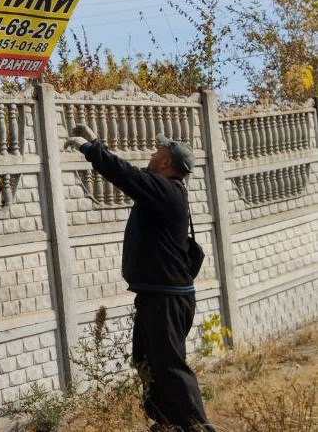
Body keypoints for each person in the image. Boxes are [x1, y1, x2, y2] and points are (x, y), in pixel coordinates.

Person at [66, 125, 215, 432]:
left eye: (159, 149)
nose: (152, 151)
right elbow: (131, 177)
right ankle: (164, 424)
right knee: (147, 363)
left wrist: (92, 150)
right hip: (157, 295)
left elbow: (127, 176)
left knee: (170, 367)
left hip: (168, 298)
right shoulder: (164, 191)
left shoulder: (165, 190)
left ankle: (199, 428)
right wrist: (99, 142)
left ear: (166, 162)